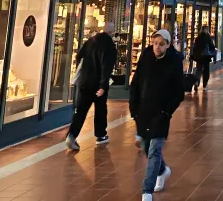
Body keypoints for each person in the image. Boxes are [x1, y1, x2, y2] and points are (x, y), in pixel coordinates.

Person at [130, 30, 184, 201]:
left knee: (154, 151)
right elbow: (136, 83)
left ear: (168, 45)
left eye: (161, 44)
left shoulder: (174, 61)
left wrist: (167, 112)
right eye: (155, 43)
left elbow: (178, 91)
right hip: (143, 111)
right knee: (146, 147)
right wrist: (134, 109)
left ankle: (146, 191)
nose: (157, 47)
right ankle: (162, 170)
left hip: (161, 114)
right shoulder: (146, 57)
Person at [66, 21, 118, 150]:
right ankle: (100, 135)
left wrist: (83, 71)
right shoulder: (109, 45)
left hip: (85, 81)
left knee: (81, 110)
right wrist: (103, 85)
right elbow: (106, 66)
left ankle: (72, 135)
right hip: (98, 83)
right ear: (111, 32)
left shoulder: (90, 41)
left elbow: (79, 56)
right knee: (100, 109)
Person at [190, 25, 217, 90]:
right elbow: (212, 46)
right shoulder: (208, 37)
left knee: (198, 70)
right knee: (206, 71)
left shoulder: (198, 37)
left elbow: (195, 47)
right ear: (207, 30)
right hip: (206, 57)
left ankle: (196, 82)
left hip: (199, 57)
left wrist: (194, 55)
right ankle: (204, 85)